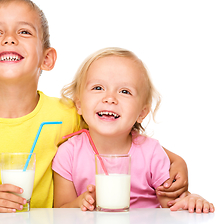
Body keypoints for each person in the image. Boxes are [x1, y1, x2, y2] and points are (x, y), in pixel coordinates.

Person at [0, 0, 187, 213]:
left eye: (24, 32)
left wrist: (177, 161)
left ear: (47, 58)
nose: (10, 38)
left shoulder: (65, 113)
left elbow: (123, 134)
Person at [52, 47, 214, 213]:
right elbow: (60, 211)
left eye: (125, 91)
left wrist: (191, 200)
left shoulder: (151, 153)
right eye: (98, 88)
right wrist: (79, 203)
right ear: (78, 104)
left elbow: (172, 206)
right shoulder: (68, 154)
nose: (110, 98)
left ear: (142, 113)